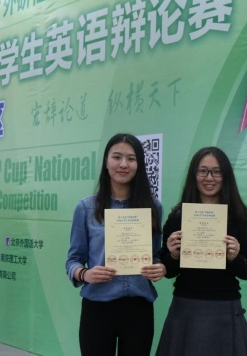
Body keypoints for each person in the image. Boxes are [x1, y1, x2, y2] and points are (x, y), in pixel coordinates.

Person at [66, 133, 166, 356]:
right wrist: (85, 274)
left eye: (131, 159)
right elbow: (73, 261)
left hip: (138, 308)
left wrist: (159, 267)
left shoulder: (153, 207)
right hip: (98, 307)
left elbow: (155, 254)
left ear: (139, 165)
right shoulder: (86, 207)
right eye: (117, 157)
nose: (123, 164)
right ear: (106, 162)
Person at [156, 146, 247, 356]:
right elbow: (168, 271)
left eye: (216, 172)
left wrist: (235, 257)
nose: (209, 178)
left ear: (225, 176)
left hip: (225, 307)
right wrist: (173, 255)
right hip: (186, 306)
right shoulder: (177, 218)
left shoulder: (239, 218)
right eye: (202, 171)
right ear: (194, 175)